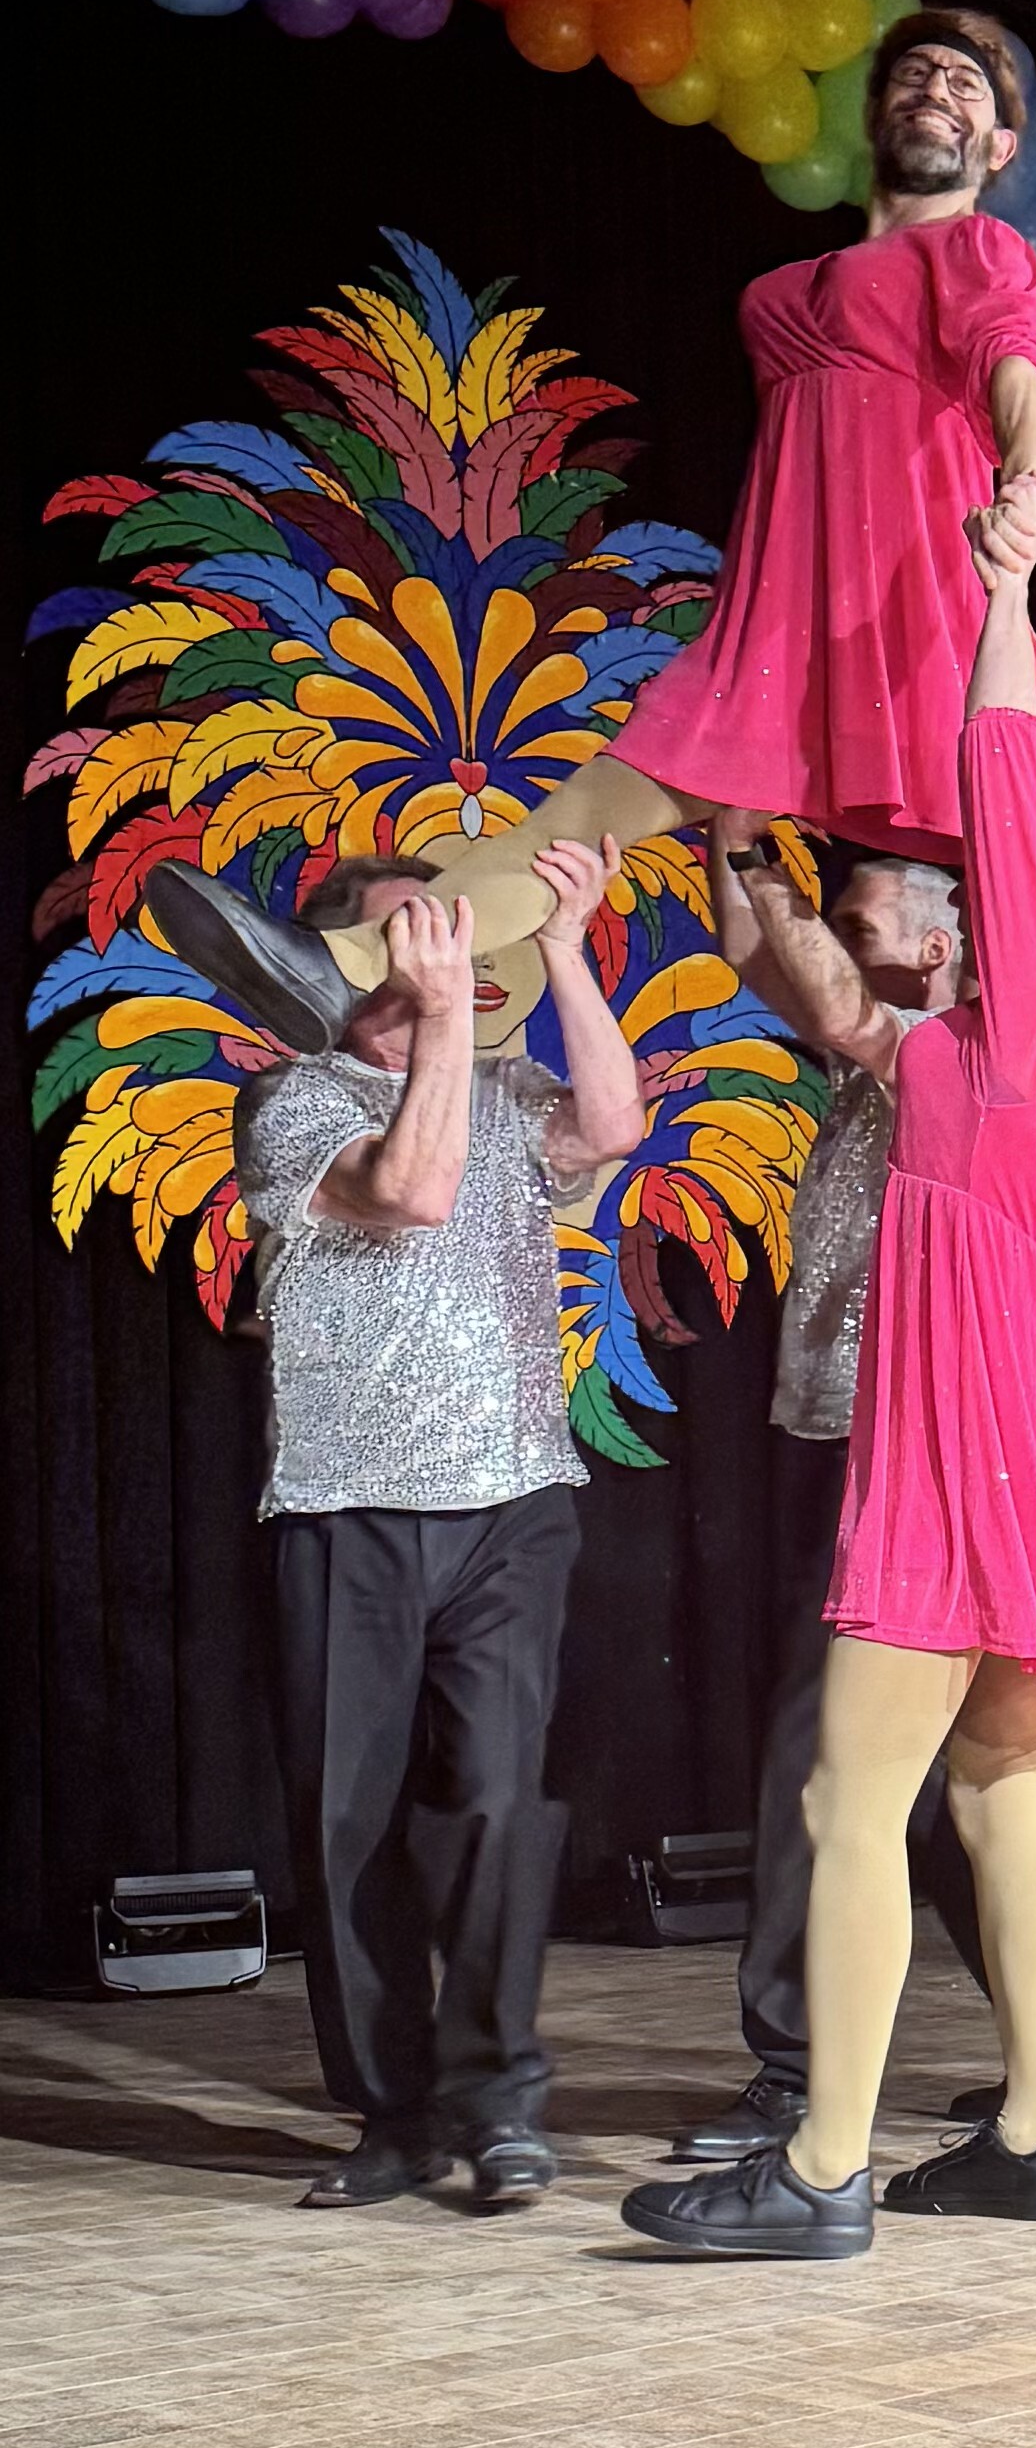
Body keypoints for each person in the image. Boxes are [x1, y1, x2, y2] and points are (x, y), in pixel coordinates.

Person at [151, 6, 1036, 1040]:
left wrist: (1030, 480)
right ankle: (340, 964)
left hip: (923, 629)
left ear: (997, 150)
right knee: (576, 821)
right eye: (916, 76)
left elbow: (1018, 371)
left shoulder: (980, 255)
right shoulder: (789, 291)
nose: (937, 91)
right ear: (876, 118)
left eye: (967, 88)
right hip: (781, 631)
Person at [624, 488, 1036, 2259]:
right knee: (995, 1794)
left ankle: (821, 2169)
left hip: (966, 1461)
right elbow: (830, 979)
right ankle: (1031, 2133)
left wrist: (1006, 597)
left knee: (849, 1801)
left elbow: (996, 767)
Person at [656, 820, 1036, 2165]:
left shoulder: (948, 1058)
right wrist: (732, 838)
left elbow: (810, 979)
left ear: (941, 944)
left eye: (855, 924)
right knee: (948, 1780)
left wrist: (763, 866)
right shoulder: (903, 1050)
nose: (828, 940)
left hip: (924, 1455)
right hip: (868, 1441)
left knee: (839, 1773)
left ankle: (802, 2077)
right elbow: (763, 955)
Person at [240, 848, 645, 2208]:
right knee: (349, 1821)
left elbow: (612, 1125)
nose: (442, 962)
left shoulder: (504, 1086)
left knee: (493, 1807)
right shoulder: (294, 1102)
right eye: (405, 940)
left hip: (513, 1502)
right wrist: (436, 1024)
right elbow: (412, 1191)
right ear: (342, 969)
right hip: (346, 1503)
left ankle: (498, 2101)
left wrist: (567, 947)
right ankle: (394, 2114)